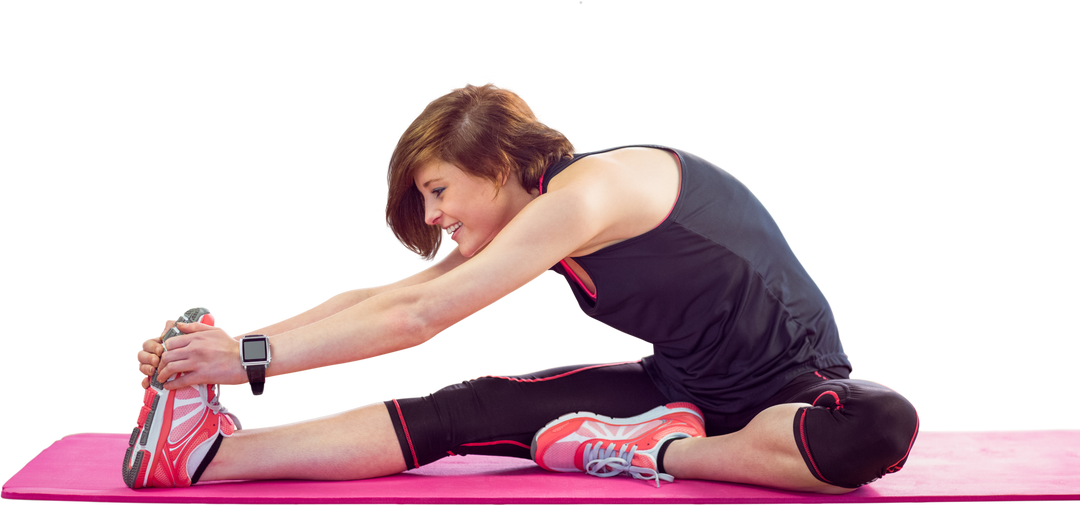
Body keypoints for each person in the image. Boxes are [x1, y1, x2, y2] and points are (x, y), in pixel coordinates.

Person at [127, 74, 921, 493]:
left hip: (795, 394)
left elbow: (423, 316)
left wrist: (247, 360)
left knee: (880, 423)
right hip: (683, 388)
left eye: (439, 190)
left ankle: (659, 453)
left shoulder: (589, 194)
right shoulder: (540, 215)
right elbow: (384, 296)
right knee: (468, 406)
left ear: (500, 165)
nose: (433, 214)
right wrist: (232, 349)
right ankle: (205, 456)